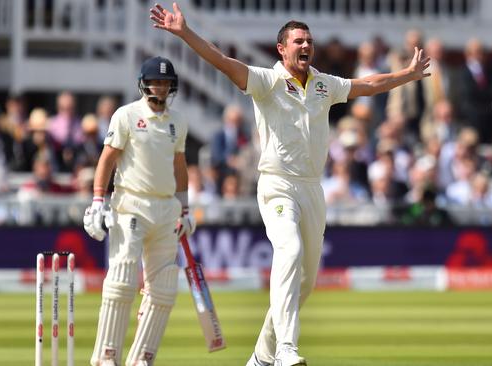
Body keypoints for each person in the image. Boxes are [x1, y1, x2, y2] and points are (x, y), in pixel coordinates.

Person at [150, 4, 430, 365]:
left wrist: (407, 74)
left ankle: (261, 357)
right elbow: (222, 61)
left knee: (305, 284)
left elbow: (367, 85)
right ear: (281, 48)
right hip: (278, 184)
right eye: (298, 40)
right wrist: (185, 33)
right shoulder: (267, 81)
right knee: (290, 251)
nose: (306, 45)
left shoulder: (324, 84)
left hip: (313, 188)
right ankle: (286, 348)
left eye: (309, 40)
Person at [82, 55, 196, 366]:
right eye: (155, 81)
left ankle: (142, 357)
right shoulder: (127, 115)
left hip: (166, 208)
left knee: (164, 289)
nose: (160, 87)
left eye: (166, 82)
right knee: (122, 279)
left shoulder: (178, 121)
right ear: (144, 84)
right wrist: (96, 201)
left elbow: (179, 166)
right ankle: (107, 356)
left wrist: (185, 209)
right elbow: (107, 159)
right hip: (130, 204)